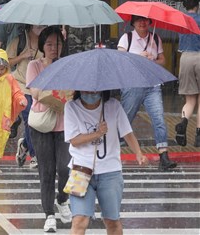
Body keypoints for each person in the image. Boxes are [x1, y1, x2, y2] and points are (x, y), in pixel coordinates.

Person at [64, 90, 149, 235]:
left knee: (112, 221)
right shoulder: (71, 107)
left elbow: (127, 132)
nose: (90, 93)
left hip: (110, 171)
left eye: (94, 90)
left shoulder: (113, 106)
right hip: (80, 170)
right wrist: (97, 133)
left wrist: (138, 153)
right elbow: (74, 140)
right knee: (79, 221)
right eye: (86, 89)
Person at [26, 26, 72, 232]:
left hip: (65, 125)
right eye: (50, 44)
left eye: (58, 44)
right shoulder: (34, 66)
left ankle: (62, 199)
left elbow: (72, 92)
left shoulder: (68, 65)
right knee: (46, 171)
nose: (54, 48)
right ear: (43, 46)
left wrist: (57, 94)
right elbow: (36, 93)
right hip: (42, 126)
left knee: (65, 168)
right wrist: (57, 95)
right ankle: (49, 214)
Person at [117, 15, 177, 171]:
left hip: (153, 85)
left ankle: (163, 157)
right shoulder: (127, 38)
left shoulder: (155, 38)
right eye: (138, 20)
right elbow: (119, 59)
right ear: (133, 23)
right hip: (133, 85)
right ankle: (112, 150)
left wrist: (153, 59)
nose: (142, 23)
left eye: (145, 20)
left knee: (159, 119)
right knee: (125, 119)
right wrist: (137, 57)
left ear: (150, 22)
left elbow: (162, 60)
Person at [7, 25, 46, 169]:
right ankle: (35, 155)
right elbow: (7, 62)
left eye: (43, 24)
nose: (40, 27)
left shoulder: (47, 41)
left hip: (40, 87)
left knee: (37, 120)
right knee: (29, 117)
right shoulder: (19, 40)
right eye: (37, 24)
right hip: (21, 85)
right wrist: (23, 56)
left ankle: (24, 144)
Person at [175, 0, 200, 147]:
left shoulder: (181, 20)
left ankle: (183, 123)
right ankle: (198, 137)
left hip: (185, 58)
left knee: (190, 100)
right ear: (197, 4)